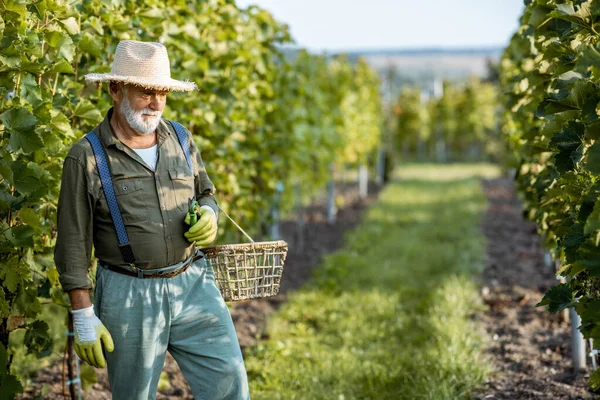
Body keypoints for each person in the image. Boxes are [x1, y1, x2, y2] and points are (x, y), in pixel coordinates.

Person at [54, 40, 250, 400]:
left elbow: (206, 191)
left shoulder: (179, 137)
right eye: (145, 92)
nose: (156, 102)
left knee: (230, 379)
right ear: (115, 90)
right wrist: (83, 315)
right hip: (130, 293)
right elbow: (72, 243)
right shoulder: (87, 157)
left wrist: (208, 212)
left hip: (194, 281)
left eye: (162, 92)